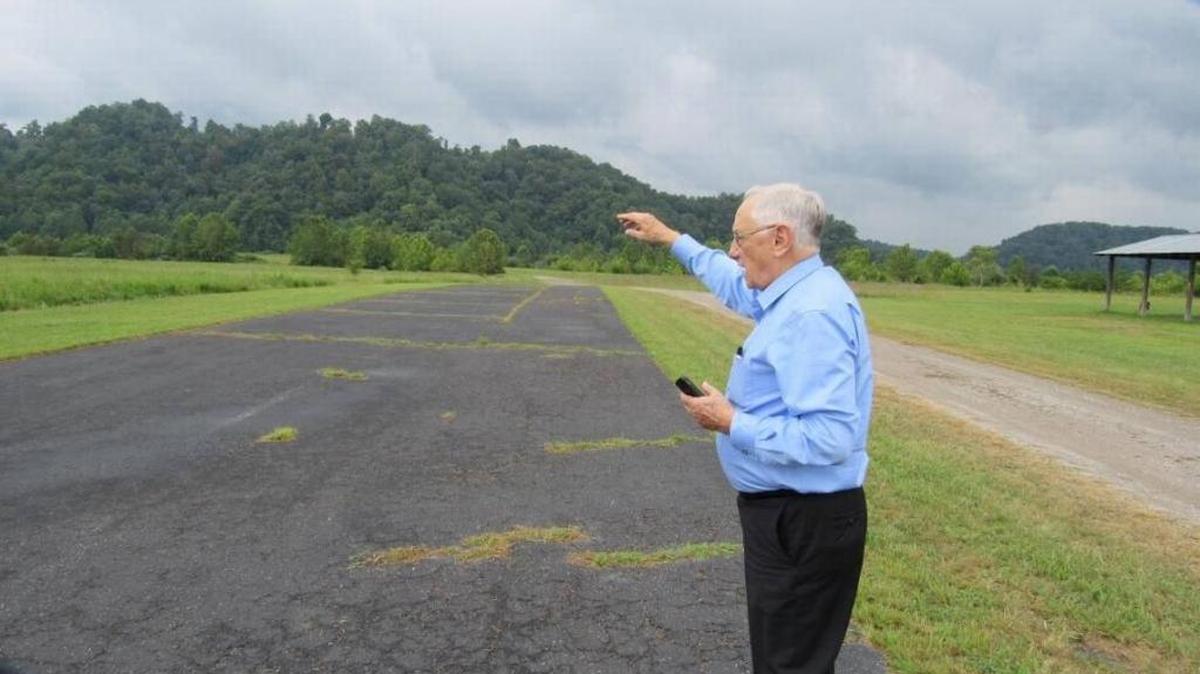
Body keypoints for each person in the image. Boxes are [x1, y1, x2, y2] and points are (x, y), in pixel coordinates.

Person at [617, 183, 873, 674]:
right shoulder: (794, 293)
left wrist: (731, 422)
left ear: (779, 239)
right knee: (784, 659)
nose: (733, 252)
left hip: (802, 522)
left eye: (739, 238)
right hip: (790, 517)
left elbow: (831, 437)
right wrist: (670, 237)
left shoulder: (812, 313)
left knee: (790, 665)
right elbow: (733, 283)